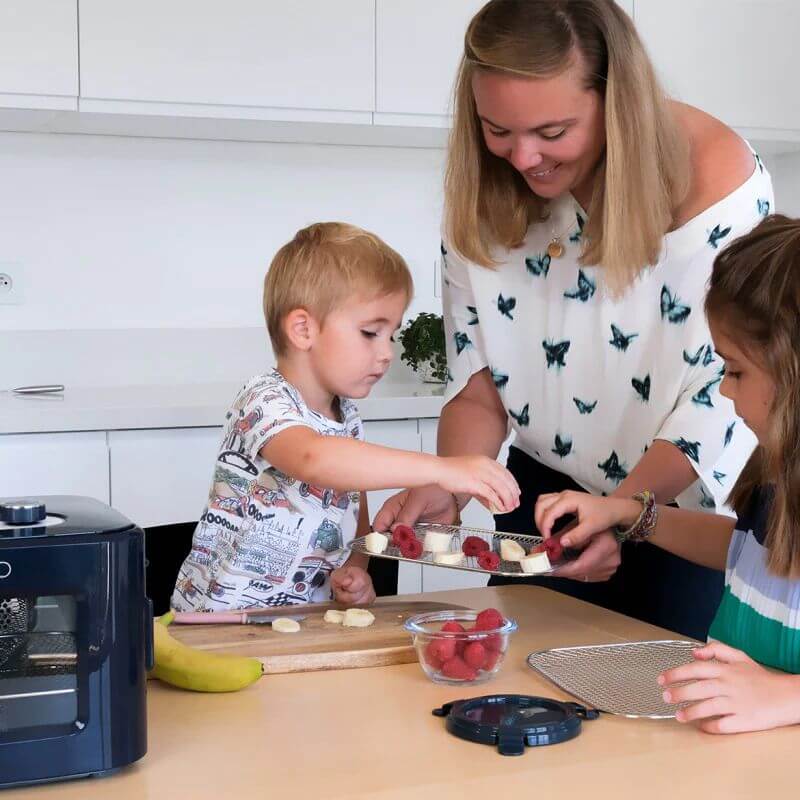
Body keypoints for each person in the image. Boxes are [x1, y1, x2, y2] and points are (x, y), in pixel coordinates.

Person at [374, 0, 775, 639]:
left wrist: (619, 512)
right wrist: (449, 482)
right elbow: (477, 382)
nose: (524, 157)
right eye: (497, 129)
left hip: (675, 512)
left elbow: (717, 396)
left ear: (616, 100)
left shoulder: (716, 183)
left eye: (553, 133)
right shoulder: (485, 190)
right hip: (544, 501)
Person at [534, 215, 800, 733]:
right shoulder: (777, 473)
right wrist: (629, 513)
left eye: (737, 370)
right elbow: (746, 553)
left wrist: (786, 697)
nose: (725, 390)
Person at [171, 222, 519, 611]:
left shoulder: (345, 414)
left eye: (392, 334)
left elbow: (355, 512)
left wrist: (355, 571)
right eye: (371, 333)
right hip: (217, 623)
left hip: (301, 619)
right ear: (303, 329)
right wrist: (441, 469)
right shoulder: (263, 399)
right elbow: (314, 459)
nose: (387, 352)